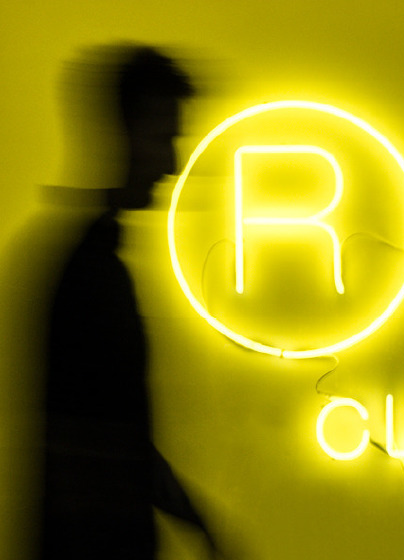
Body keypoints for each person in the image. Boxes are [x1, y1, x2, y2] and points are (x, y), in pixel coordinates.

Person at [42, 45, 219, 560]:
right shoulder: (90, 274)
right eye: (162, 138)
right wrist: (201, 525)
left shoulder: (86, 264)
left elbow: (117, 439)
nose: (173, 164)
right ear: (120, 135)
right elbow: (105, 448)